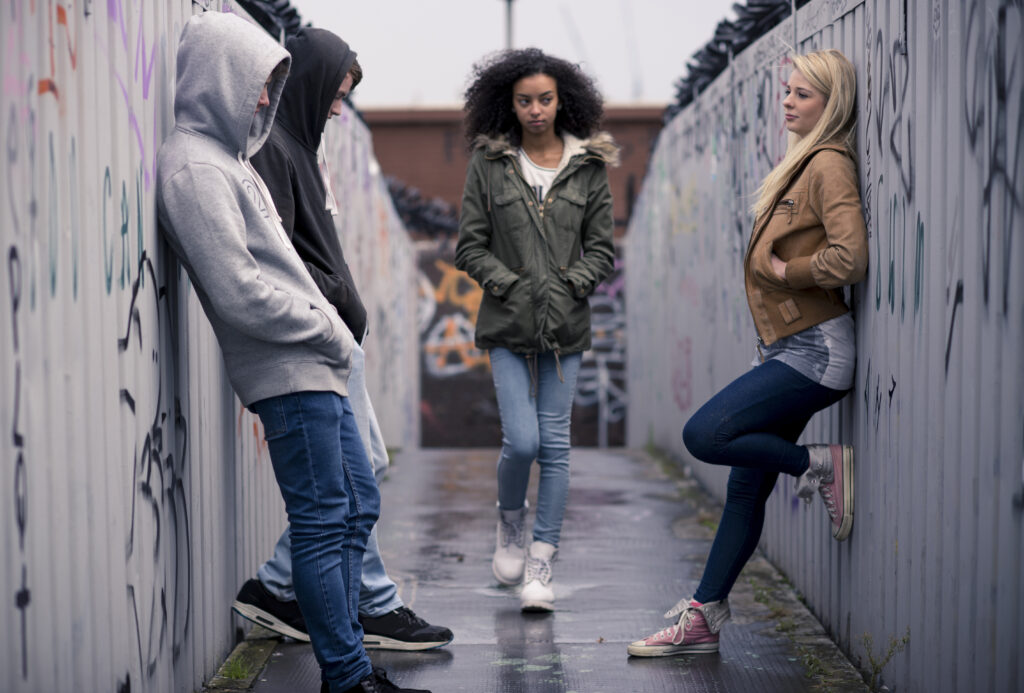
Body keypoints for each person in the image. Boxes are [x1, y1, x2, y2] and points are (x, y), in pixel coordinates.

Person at [155, 12, 427, 693]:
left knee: (356, 503)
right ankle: (346, 673)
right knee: (321, 519)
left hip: (314, 365)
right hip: (288, 369)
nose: (264, 97)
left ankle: (350, 663)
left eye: (273, 83)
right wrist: (326, 327)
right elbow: (239, 290)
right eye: (256, 81)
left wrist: (327, 335)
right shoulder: (192, 169)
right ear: (221, 74)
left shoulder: (232, 164)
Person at [627, 48, 867, 658]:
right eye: (787, 91)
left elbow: (851, 257)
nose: (788, 101)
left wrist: (790, 270)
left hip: (815, 351)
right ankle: (703, 618)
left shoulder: (828, 163)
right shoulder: (800, 162)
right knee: (743, 490)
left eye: (803, 94)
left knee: (704, 434)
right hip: (787, 348)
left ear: (830, 103)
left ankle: (817, 464)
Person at [230, 26, 452, 655]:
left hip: (332, 341)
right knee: (351, 487)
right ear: (309, 82)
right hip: (313, 342)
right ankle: (362, 603)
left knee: (359, 480)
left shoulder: (302, 148)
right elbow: (276, 257)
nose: (338, 107)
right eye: (335, 93)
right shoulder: (272, 152)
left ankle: (286, 588)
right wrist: (334, 306)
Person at [455, 48, 617, 612]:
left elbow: (602, 251)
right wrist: (507, 284)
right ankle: (510, 526)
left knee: (555, 446)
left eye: (545, 99)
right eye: (524, 100)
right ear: (509, 103)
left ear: (562, 99)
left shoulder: (588, 167)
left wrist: (573, 284)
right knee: (521, 441)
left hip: (566, 330)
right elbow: (469, 246)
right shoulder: (490, 164)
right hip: (504, 323)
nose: (535, 110)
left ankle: (541, 563)